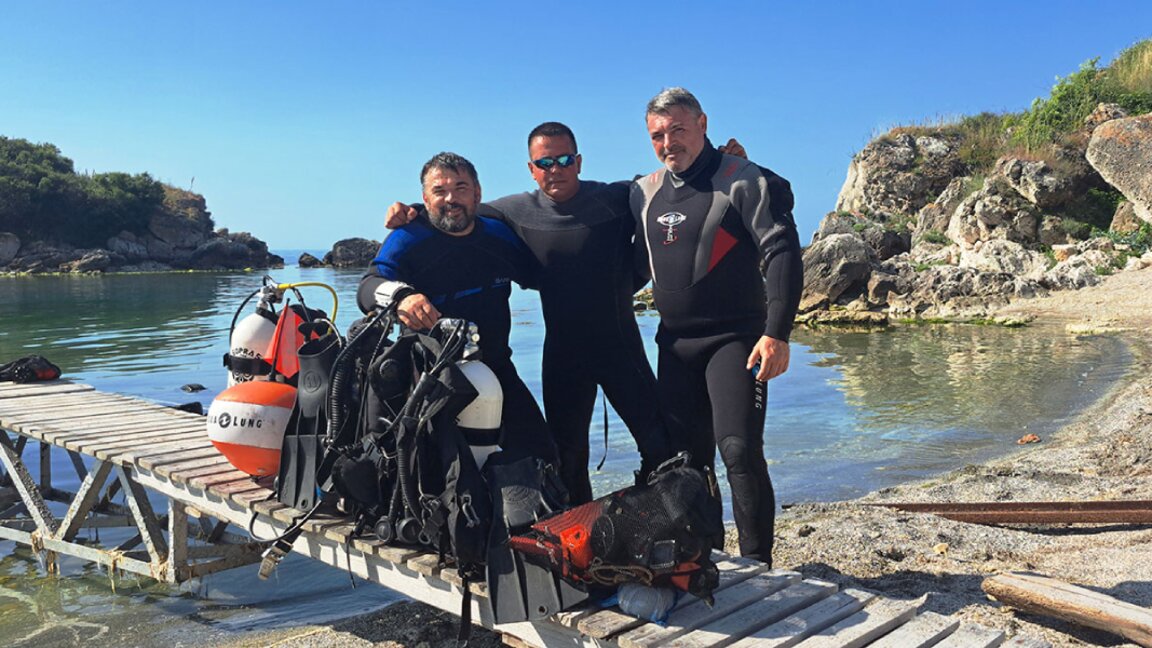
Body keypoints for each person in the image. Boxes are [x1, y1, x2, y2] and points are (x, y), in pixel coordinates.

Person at [386, 124, 745, 504]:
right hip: (563, 355)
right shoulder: (513, 211)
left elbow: (677, 180)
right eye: (545, 162)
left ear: (578, 161)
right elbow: (453, 209)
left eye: (563, 160)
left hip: (620, 349)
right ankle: (580, 541)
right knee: (565, 459)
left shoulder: (617, 197)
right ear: (532, 168)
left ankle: (683, 530)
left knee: (661, 447)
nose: (555, 169)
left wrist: (721, 162)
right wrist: (408, 209)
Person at [631, 88, 803, 565]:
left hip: (736, 340)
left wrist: (778, 332)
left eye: (678, 130)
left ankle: (757, 565)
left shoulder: (743, 180)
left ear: (702, 123)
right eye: (657, 135)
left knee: (739, 452)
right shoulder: (641, 192)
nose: (669, 143)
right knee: (687, 463)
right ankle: (704, 557)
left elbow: (782, 251)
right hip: (674, 346)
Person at [358, 152, 557, 465]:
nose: (451, 199)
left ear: (477, 194)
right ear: (425, 198)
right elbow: (368, 285)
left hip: (496, 366)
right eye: (439, 191)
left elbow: (541, 275)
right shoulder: (409, 237)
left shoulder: (498, 236)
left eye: (461, 188)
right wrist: (401, 297)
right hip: (429, 378)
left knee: (543, 458)